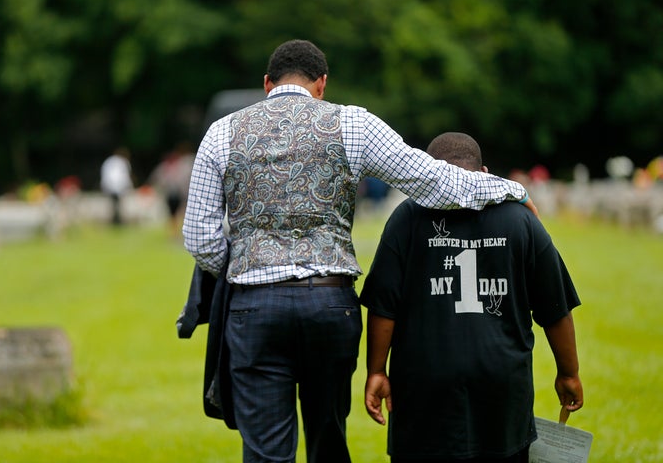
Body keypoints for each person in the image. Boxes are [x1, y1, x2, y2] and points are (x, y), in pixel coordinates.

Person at [182, 40, 537, 463]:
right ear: (322, 85)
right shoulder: (351, 124)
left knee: (264, 451)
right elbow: (436, 182)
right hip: (330, 304)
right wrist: (509, 188)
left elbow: (199, 236)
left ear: (266, 84)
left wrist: (246, 267)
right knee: (328, 436)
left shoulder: (222, 131)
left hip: (255, 308)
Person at [361, 132, 583, 463]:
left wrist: (376, 370)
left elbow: (384, 307)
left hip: (424, 384)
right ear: (485, 171)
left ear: (429, 170)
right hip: (502, 382)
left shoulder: (407, 218)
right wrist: (569, 373)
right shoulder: (521, 219)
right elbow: (555, 307)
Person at [149, 143, 195, 237]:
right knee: (173, 215)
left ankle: (177, 233)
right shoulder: (166, 168)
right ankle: (174, 233)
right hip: (172, 194)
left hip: (178, 194)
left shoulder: (179, 166)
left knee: (178, 214)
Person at [100, 147, 133, 226]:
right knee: (119, 205)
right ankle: (118, 221)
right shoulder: (123, 162)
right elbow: (124, 176)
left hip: (109, 186)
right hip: (119, 186)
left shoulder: (108, 161)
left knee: (113, 205)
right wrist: (129, 186)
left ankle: (114, 220)